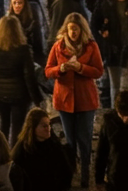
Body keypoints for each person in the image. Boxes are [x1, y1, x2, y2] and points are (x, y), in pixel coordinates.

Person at [46, 13, 104, 188]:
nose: (73, 33)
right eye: (71, 30)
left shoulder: (91, 47)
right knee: (70, 141)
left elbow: (98, 71)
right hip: (65, 100)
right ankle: (71, 173)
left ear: (81, 30)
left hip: (85, 100)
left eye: (76, 30)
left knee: (84, 139)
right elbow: (48, 71)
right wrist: (61, 68)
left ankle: (86, 173)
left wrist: (81, 68)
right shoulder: (58, 47)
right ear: (66, 30)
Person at [0, 15, 42, 146]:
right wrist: (37, 98)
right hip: (20, 94)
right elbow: (29, 75)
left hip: (0, 92)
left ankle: (2, 153)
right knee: (18, 126)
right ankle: (15, 155)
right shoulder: (23, 49)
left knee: (4, 123)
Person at [9, 108, 75, 191]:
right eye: (44, 126)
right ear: (33, 128)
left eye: (49, 125)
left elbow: (66, 171)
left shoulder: (55, 146)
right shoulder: (22, 150)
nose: (48, 129)